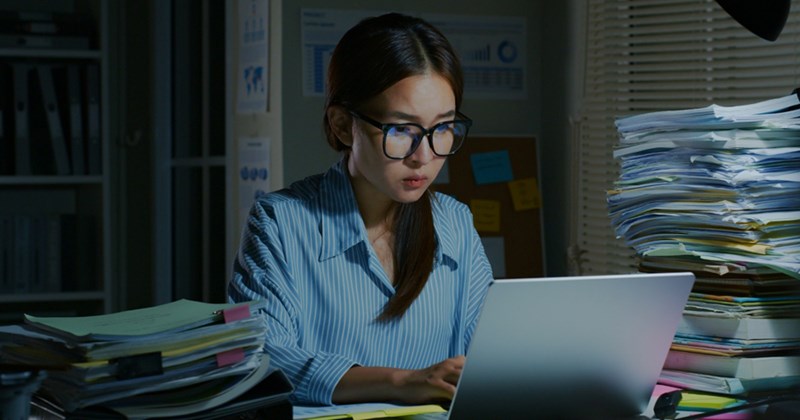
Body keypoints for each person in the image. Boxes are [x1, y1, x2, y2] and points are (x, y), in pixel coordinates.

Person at [227, 12, 494, 407]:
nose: (425, 156)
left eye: (443, 128)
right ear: (341, 125)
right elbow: (262, 360)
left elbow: (488, 356)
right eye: (401, 130)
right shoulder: (281, 223)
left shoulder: (454, 223)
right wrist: (401, 383)